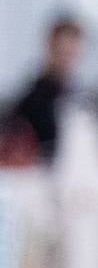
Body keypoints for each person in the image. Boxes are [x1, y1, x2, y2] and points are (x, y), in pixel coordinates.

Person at [5, 15, 92, 163]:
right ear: (50, 49)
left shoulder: (85, 100)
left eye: (72, 53)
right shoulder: (32, 102)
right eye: (62, 52)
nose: (67, 60)